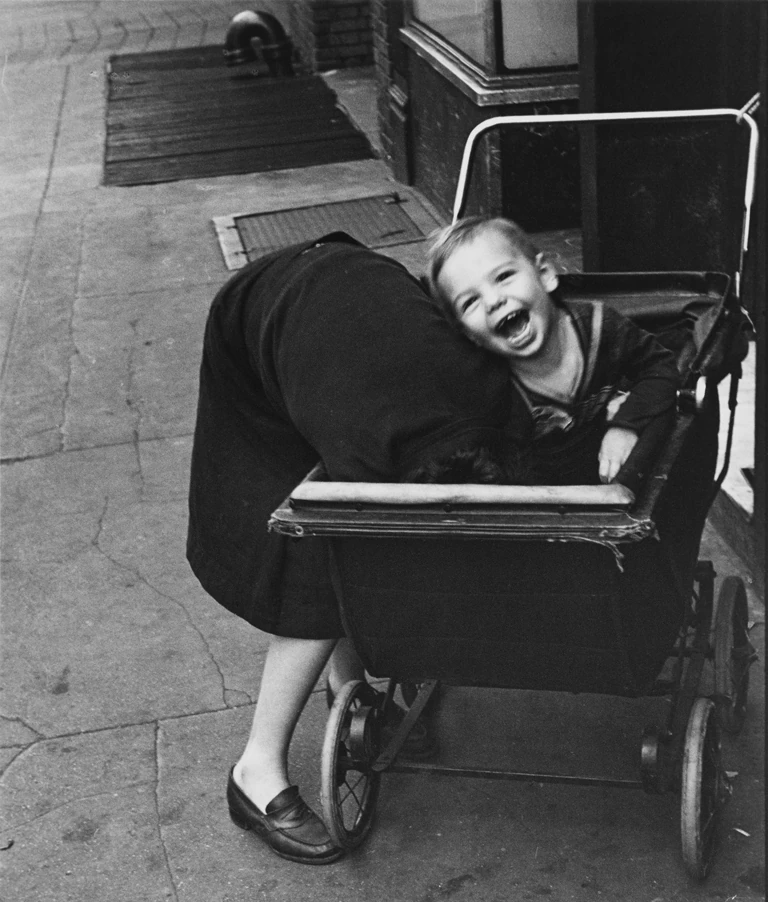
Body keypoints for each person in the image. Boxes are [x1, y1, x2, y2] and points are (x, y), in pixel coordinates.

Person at [187, 232, 510, 865]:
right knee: (318, 552)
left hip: (351, 299)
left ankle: (348, 693)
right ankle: (255, 774)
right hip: (262, 320)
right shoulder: (363, 430)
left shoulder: (481, 385)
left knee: (349, 543)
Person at [426, 216, 680, 486]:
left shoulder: (600, 327)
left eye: (503, 277)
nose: (493, 301)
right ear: (467, 334)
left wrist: (626, 424)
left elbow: (661, 366)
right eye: (470, 302)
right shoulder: (494, 388)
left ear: (545, 274)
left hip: (622, 478)